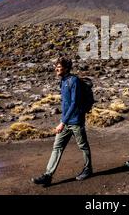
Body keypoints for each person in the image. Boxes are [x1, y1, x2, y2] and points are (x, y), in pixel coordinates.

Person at [31, 57, 92, 186]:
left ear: (66, 68)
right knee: (57, 147)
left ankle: (88, 169)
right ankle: (48, 175)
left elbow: (74, 103)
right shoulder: (63, 81)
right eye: (56, 67)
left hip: (75, 121)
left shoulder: (73, 80)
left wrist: (62, 122)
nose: (56, 69)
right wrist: (63, 120)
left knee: (83, 146)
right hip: (65, 121)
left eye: (59, 67)